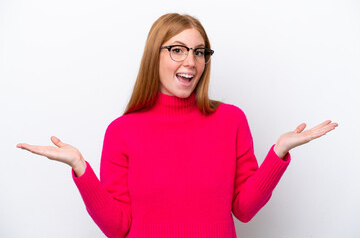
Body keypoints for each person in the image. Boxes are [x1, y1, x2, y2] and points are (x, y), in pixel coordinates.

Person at [16, 13, 338, 238]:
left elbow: (243, 209)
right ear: (154, 57)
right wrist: (81, 168)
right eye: (178, 50)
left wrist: (278, 153)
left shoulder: (232, 121)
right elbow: (117, 227)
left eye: (199, 52)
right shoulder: (122, 131)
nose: (191, 62)